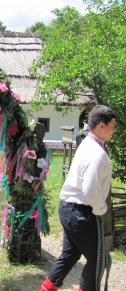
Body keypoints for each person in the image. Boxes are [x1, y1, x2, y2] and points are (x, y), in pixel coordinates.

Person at [40, 105, 116, 291]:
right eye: (113, 125)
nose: (115, 130)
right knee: (99, 259)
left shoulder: (89, 144)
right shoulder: (96, 153)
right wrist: (101, 209)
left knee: (71, 253)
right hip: (81, 212)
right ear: (101, 126)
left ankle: (46, 289)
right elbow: (89, 188)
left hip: (69, 209)